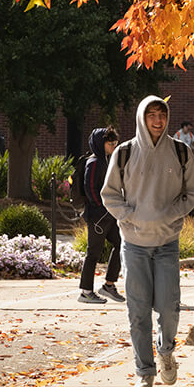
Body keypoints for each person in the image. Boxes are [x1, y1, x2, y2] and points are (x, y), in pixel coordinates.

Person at [101, 95, 194, 387]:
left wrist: (172, 214)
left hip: (167, 241)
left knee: (169, 308)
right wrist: (129, 217)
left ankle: (166, 351)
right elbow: (109, 194)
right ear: (142, 118)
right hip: (133, 243)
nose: (157, 121)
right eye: (151, 115)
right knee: (138, 310)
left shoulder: (181, 152)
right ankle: (144, 370)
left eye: (162, 115)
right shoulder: (125, 152)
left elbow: (192, 192)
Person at [78, 127, 125, 305]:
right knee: (93, 252)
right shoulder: (95, 162)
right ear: (100, 143)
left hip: (108, 215)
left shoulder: (107, 160)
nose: (114, 145)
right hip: (97, 216)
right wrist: (101, 206)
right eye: (110, 143)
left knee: (121, 243)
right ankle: (85, 291)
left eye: (115, 143)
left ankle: (108, 285)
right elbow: (90, 188)